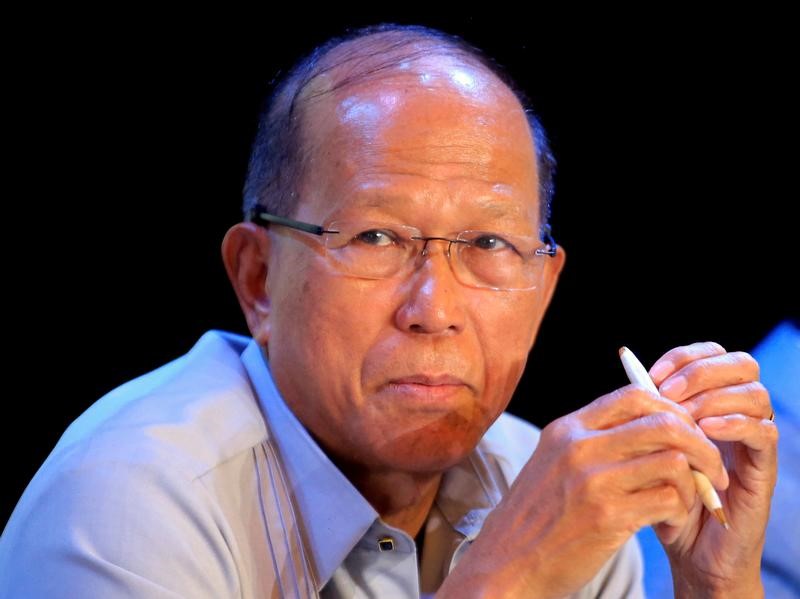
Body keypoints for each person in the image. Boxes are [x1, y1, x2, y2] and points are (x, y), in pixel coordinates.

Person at [0, 24, 777, 598]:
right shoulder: (125, 506)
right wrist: (512, 573)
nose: (433, 308)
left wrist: (718, 583)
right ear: (259, 278)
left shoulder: (541, 483)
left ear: (543, 291)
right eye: (375, 235)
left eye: (487, 244)